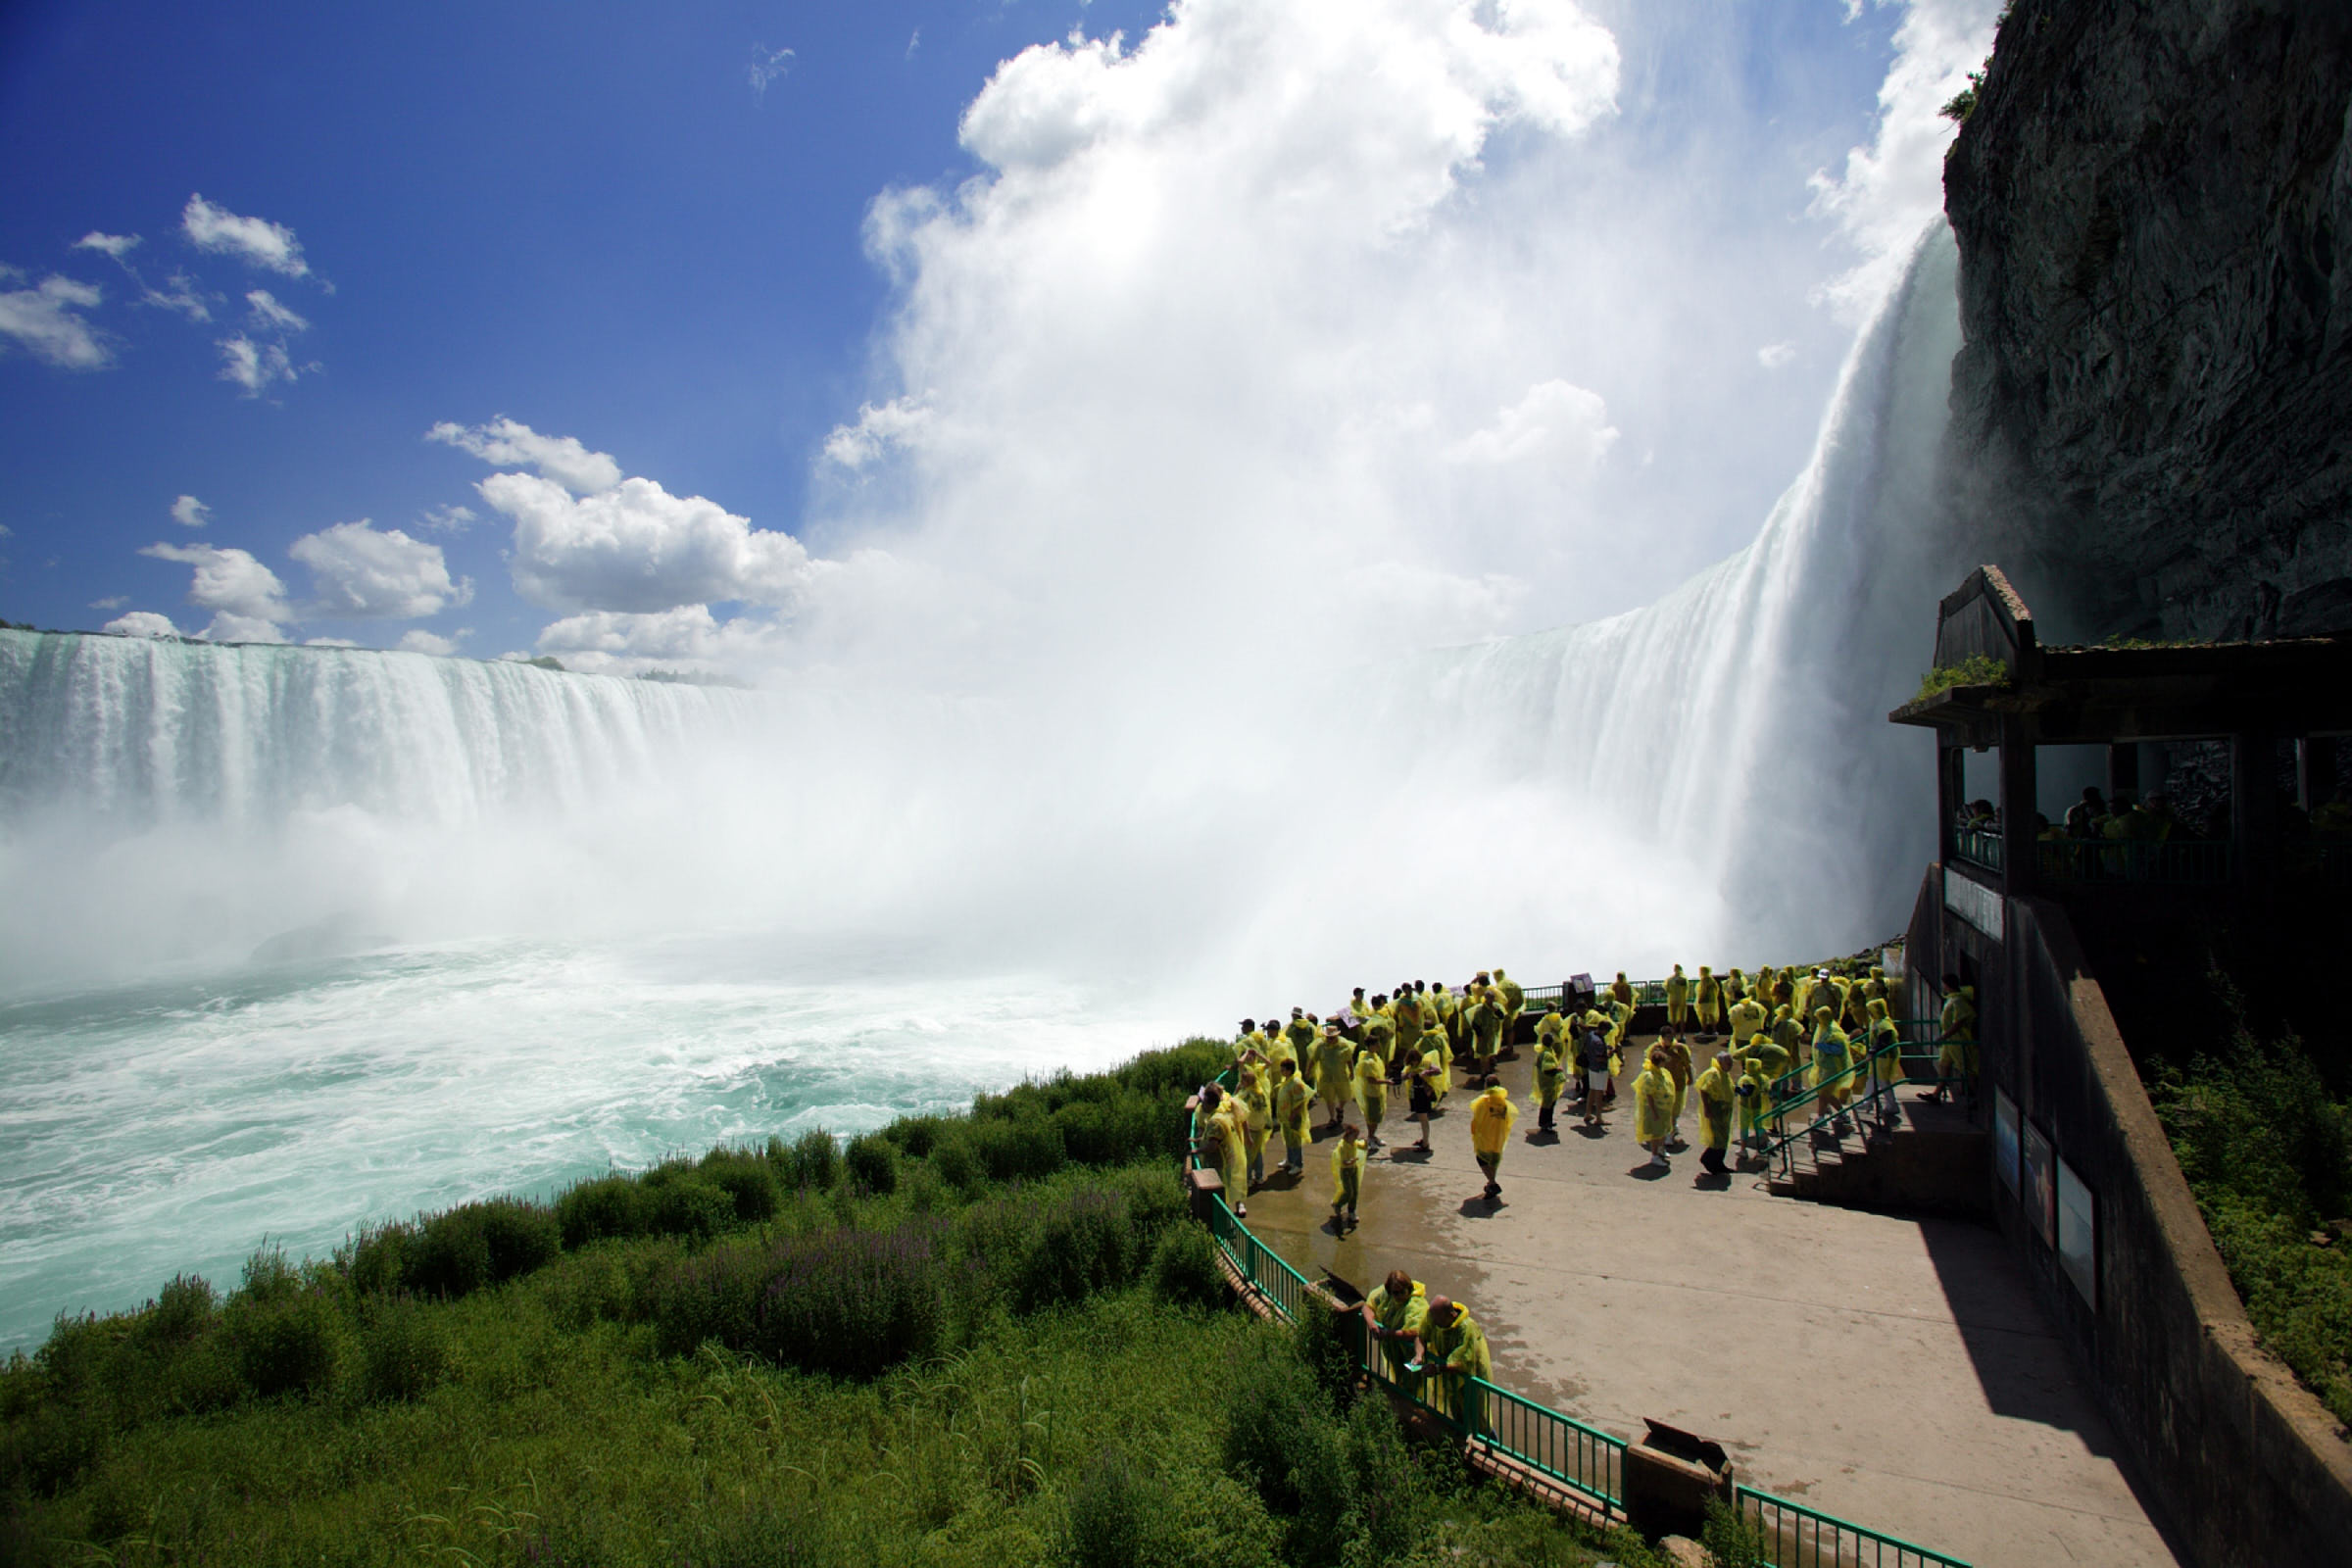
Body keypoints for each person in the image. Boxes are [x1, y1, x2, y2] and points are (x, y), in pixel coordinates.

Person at [1413, 1296, 1491, 1433]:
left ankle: (1491, 1446)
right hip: (1450, 1376)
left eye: (1439, 1321)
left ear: (1451, 1315)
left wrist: (1437, 1368)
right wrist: (1419, 1355)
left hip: (1471, 1376)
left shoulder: (1466, 1328)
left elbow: (1463, 1361)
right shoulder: (1433, 1317)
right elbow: (1422, 1336)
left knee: (1478, 1418)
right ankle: (1463, 1442)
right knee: (1458, 1415)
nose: (1435, 1323)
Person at [1362, 1269, 1429, 1386]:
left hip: (1412, 1357)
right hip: (1395, 1352)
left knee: (1415, 1389)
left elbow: (1414, 1332)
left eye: (1402, 1292)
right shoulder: (1386, 1293)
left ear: (1409, 1288)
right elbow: (1367, 1307)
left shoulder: (1416, 1305)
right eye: (1395, 1293)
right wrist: (1371, 1323)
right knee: (1398, 1383)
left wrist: (1388, 1333)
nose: (1399, 1296)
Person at [1469, 1077, 1516, 1199]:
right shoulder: (1503, 1102)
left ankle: (1493, 1182)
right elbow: (1508, 1119)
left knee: (1482, 1158)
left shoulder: (1482, 1102)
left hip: (1485, 1135)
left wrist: (1474, 1132)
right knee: (1494, 1159)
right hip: (1498, 1135)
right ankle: (1491, 1182)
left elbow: (1477, 1119)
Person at [1935, 974, 1978, 1105]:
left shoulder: (1958, 1001)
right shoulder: (1952, 999)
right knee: (1943, 1065)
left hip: (1957, 1040)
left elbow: (1959, 1022)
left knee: (1965, 1068)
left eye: (1944, 985)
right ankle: (1936, 1094)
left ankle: (1976, 1096)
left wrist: (1944, 1036)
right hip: (1949, 1041)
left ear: (1948, 985)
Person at [1810, 1005, 1853, 1131]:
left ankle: (1821, 1118)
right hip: (1825, 1067)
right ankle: (1842, 1114)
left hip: (1833, 1068)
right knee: (1826, 1094)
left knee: (1824, 1093)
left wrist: (1822, 1047)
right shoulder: (1823, 1028)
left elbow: (1839, 1049)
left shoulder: (1833, 1031)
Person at [1634, 1046, 1676, 1170]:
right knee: (1655, 1134)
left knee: (1663, 1131)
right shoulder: (1650, 1076)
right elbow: (1649, 1095)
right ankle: (1654, 1155)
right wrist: (1654, 1112)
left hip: (1664, 1109)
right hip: (1656, 1109)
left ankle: (1661, 1149)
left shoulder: (1661, 1073)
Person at [1694, 1050, 1737, 1176]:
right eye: (1728, 1062)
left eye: (1731, 1062)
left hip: (1725, 1109)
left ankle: (1719, 1163)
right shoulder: (1713, 1073)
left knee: (1724, 1136)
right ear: (1720, 1062)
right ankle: (1709, 1160)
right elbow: (1704, 1090)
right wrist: (1707, 1108)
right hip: (1716, 1108)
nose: (1730, 1065)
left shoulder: (1724, 1074)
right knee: (1718, 1137)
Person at [1315, 1022, 1354, 1133]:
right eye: (1328, 1038)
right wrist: (1309, 1071)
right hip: (1327, 1078)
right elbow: (1314, 1059)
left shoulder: (1343, 1046)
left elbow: (1349, 1060)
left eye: (1332, 1038)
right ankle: (1332, 1118)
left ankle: (1340, 1108)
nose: (1329, 1040)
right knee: (1329, 1098)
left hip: (1340, 1076)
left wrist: (1352, 1072)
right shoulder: (1321, 1047)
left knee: (1345, 1096)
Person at [1274, 1058, 1312, 1174]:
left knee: (1295, 1141)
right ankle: (1290, 1160)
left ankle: (1298, 1164)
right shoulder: (1286, 1081)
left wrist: (1293, 1115)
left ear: (1289, 1070)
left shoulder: (1296, 1083)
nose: (1281, 1071)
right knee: (1288, 1139)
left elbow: (1300, 1101)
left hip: (1293, 1117)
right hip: (1285, 1117)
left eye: (1283, 1069)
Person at [1660, 1028, 1694, 1151]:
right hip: (1663, 1085)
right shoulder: (1657, 1048)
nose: (1670, 1039)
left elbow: (1687, 1064)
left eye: (1672, 1037)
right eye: (1668, 1037)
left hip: (1678, 1083)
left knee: (1675, 1108)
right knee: (1666, 1109)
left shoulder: (1680, 1049)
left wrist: (1690, 1077)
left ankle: (1672, 1129)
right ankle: (1669, 1131)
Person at [1330, 1123, 1366, 1232]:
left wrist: (1366, 1142)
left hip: (1353, 1169)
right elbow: (1344, 1162)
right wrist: (1351, 1161)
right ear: (1348, 1135)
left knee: (1355, 1191)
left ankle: (1351, 1211)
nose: (1356, 1138)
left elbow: (1362, 1146)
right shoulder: (1342, 1146)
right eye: (1354, 1136)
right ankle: (1338, 1204)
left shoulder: (1354, 1142)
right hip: (1345, 1171)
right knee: (1348, 1191)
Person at [1581, 1012, 1614, 1128]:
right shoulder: (1599, 1042)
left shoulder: (1591, 1035)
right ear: (1604, 1030)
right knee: (1599, 1093)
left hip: (1592, 1068)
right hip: (1600, 1069)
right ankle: (1599, 1117)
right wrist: (1609, 1054)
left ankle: (1588, 1113)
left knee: (1592, 1090)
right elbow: (1600, 1057)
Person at [1352, 1047, 1389, 1152]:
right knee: (1371, 1117)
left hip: (1377, 1092)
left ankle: (1373, 1136)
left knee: (1377, 1116)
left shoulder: (1375, 1058)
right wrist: (1387, 1082)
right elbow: (1371, 1080)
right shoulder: (1368, 1062)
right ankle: (1370, 1137)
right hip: (1371, 1093)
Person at [1466, 984, 1505, 1077]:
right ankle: (1484, 1071)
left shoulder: (1495, 1008)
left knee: (1488, 1054)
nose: (1491, 1000)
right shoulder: (1480, 1010)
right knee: (1483, 1055)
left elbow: (1502, 1016)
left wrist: (1496, 1011)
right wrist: (1480, 1036)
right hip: (1483, 1035)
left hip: (1491, 1034)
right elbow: (1475, 1024)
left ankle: (1487, 1070)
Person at [1404, 1047, 1439, 1150]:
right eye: (1412, 1061)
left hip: (1423, 1093)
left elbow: (1438, 1070)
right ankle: (1424, 1139)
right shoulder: (1409, 1067)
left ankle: (1425, 1143)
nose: (1414, 1063)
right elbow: (1403, 1075)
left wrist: (1427, 1073)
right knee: (1422, 1118)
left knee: (1423, 1119)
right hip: (1415, 1093)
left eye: (1416, 1060)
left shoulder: (1425, 1064)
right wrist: (1408, 1075)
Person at [1533, 1028, 1564, 1133]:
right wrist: (1557, 1070)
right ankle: (1545, 1123)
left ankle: (1546, 1122)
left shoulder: (1543, 1053)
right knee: (1548, 1104)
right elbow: (1547, 1070)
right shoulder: (1547, 1054)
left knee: (1548, 1103)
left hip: (1545, 1083)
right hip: (1548, 1084)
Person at [1694, 964, 1721, 1033]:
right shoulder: (1712, 980)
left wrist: (1700, 998)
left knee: (1704, 1016)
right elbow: (1717, 989)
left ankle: (1704, 1031)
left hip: (1705, 1000)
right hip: (1712, 1000)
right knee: (1711, 1015)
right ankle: (1714, 1031)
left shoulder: (1704, 979)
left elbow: (1703, 990)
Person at [1665, 963, 1690, 1031]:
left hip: (1672, 999)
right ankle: (1682, 1035)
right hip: (1681, 999)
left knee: (1673, 1018)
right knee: (1682, 1017)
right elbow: (1686, 989)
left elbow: (1667, 989)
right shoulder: (1683, 979)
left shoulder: (1670, 979)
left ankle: (1674, 1034)